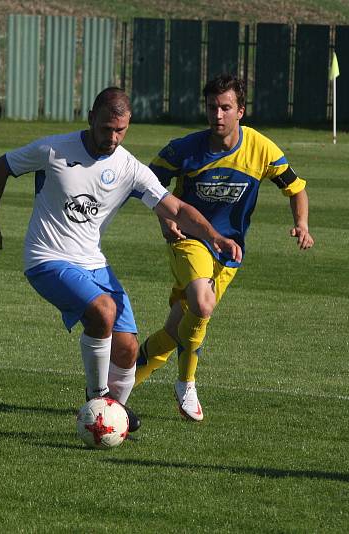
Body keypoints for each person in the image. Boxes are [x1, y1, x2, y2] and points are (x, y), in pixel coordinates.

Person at [0, 87, 241, 432]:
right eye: (106, 129)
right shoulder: (53, 149)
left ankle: (110, 419)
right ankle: (98, 398)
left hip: (93, 262)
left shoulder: (128, 167)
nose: (113, 137)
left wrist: (214, 236)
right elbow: (1, 168)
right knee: (103, 311)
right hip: (47, 257)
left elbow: (174, 207)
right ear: (91, 119)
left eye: (121, 130)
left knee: (129, 349)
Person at [134, 74, 315, 422]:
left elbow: (296, 188)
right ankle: (186, 383)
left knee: (176, 331)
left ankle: (116, 386)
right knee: (203, 304)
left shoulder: (262, 149)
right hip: (188, 240)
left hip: (230, 251)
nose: (217, 114)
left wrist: (302, 224)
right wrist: (164, 219)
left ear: (240, 111)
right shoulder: (184, 149)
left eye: (225, 107)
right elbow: (147, 181)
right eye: (211, 107)